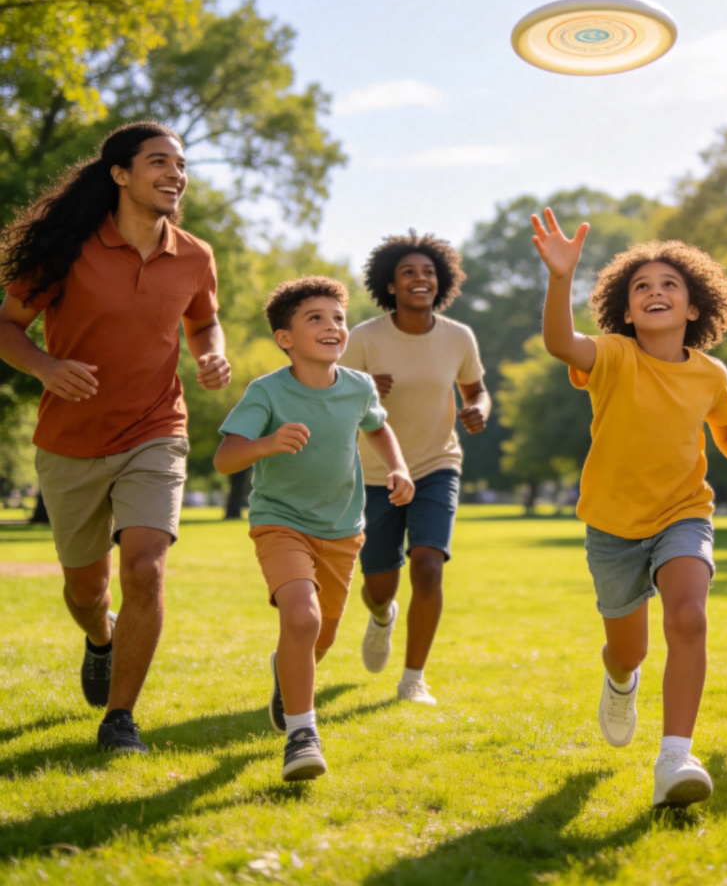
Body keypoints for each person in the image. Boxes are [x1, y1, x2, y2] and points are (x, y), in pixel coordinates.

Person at [530, 207, 727, 809]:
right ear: (626, 307)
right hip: (612, 525)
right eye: (641, 286)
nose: (655, 291)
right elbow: (560, 342)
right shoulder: (612, 356)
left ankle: (676, 756)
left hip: (684, 513)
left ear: (694, 307)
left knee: (689, 617)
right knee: (629, 648)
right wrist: (561, 276)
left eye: (670, 284)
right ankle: (620, 681)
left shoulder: (710, 373)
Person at [0, 122, 231, 754]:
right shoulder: (67, 249)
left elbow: (205, 321)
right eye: (159, 162)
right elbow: (8, 327)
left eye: (181, 165)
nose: (175, 174)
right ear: (121, 175)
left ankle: (120, 718)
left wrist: (212, 354)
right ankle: (99, 638)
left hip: (156, 428)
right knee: (86, 589)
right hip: (70, 439)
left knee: (146, 569)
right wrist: (47, 366)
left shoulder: (194, 255)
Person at [214, 276, 414, 781]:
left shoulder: (358, 386)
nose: (333, 326)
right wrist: (267, 443)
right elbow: (225, 457)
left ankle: (289, 677)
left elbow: (377, 426)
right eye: (316, 318)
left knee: (316, 638)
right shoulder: (267, 392)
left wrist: (398, 467)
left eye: (339, 318)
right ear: (285, 338)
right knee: (300, 619)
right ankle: (302, 735)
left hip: (343, 530)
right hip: (281, 523)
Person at [343, 232, 489, 705]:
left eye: (428, 271)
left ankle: (413, 679)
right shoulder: (363, 338)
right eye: (408, 272)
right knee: (378, 585)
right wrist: (363, 388)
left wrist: (480, 410)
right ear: (391, 285)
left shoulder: (458, 337)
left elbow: (476, 390)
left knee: (428, 566)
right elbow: (329, 396)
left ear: (440, 281)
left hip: (436, 464)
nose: (419, 278)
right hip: (374, 472)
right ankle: (382, 616)